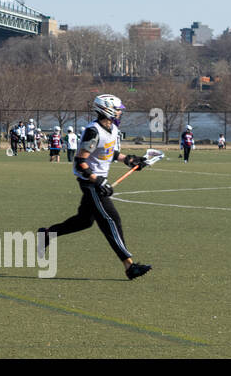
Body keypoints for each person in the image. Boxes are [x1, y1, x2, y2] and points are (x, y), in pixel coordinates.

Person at [37, 94, 153, 281]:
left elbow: (109, 151)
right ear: (106, 109)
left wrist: (129, 159)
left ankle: (47, 234)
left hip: (98, 180)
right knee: (111, 220)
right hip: (90, 183)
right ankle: (129, 266)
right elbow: (80, 160)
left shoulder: (113, 129)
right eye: (117, 109)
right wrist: (96, 180)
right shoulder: (93, 131)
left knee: (84, 221)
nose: (119, 112)